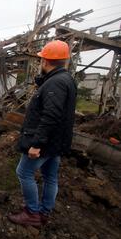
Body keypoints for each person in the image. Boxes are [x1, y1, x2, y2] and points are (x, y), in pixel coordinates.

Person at [8, 40, 77, 227]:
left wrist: (37, 144)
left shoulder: (55, 84)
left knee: (23, 172)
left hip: (45, 142)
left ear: (45, 61)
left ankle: (32, 212)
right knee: (50, 177)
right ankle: (44, 212)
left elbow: (51, 115)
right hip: (56, 142)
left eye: (41, 60)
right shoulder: (65, 79)